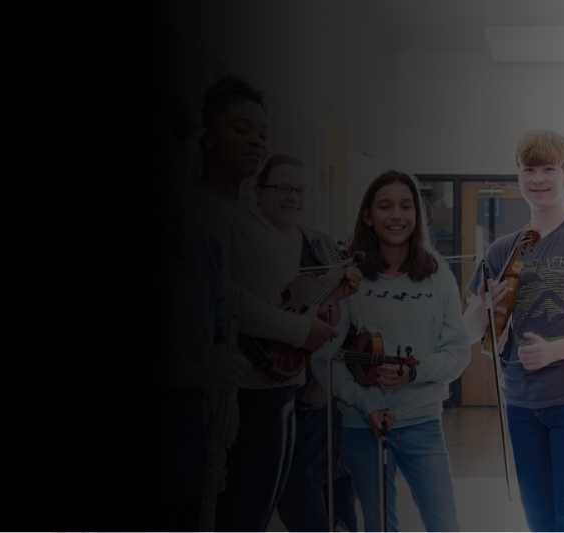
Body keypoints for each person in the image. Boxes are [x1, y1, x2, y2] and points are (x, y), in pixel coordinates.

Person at [178, 74, 358, 531]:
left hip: (277, 383)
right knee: (240, 517)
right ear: (208, 138)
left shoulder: (241, 214)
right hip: (246, 390)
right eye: (241, 130)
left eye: (262, 134)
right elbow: (222, 295)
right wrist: (301, 331)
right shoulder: (203, 207)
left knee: (255, 515)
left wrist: (325, 299)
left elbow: (273, 296)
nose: (255, 142)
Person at [462, 129, 564, 532]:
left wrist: (553, 351)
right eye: (529, 169)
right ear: (518, 174)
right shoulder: (501, 250)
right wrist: (485, 303)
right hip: (520, 402)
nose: (538, 178)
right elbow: (468, 332)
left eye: (548, 168)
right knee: (538, 517)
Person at [314, 170, 470, 532]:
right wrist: (368, 404)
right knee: (380, 525)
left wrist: (415, 371)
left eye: (405, 206)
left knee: (444, 524)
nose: (396, 215)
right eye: (385, 207)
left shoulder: (438, 275)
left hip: (424, 424)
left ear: (417, 215)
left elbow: (458, 352)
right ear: (368, 216)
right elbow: (326, 360)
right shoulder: (351, 279)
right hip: (362, 426)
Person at [251, 155, 359, 532]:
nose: (293, 197)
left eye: (300, 190)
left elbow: (339, 319)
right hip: (266, 388)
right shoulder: (247, 243)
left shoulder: (322, 245)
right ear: (258, 191)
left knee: (340, 496)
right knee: (299, 505)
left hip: (318, 394)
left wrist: (342, 296)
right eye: (283, 187)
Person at [154, 90, 241, 531]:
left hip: (194, 449)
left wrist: (224, 393)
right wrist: (198, 376)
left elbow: (218, 320)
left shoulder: (200, 240)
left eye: (181, 145)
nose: (171, 159)